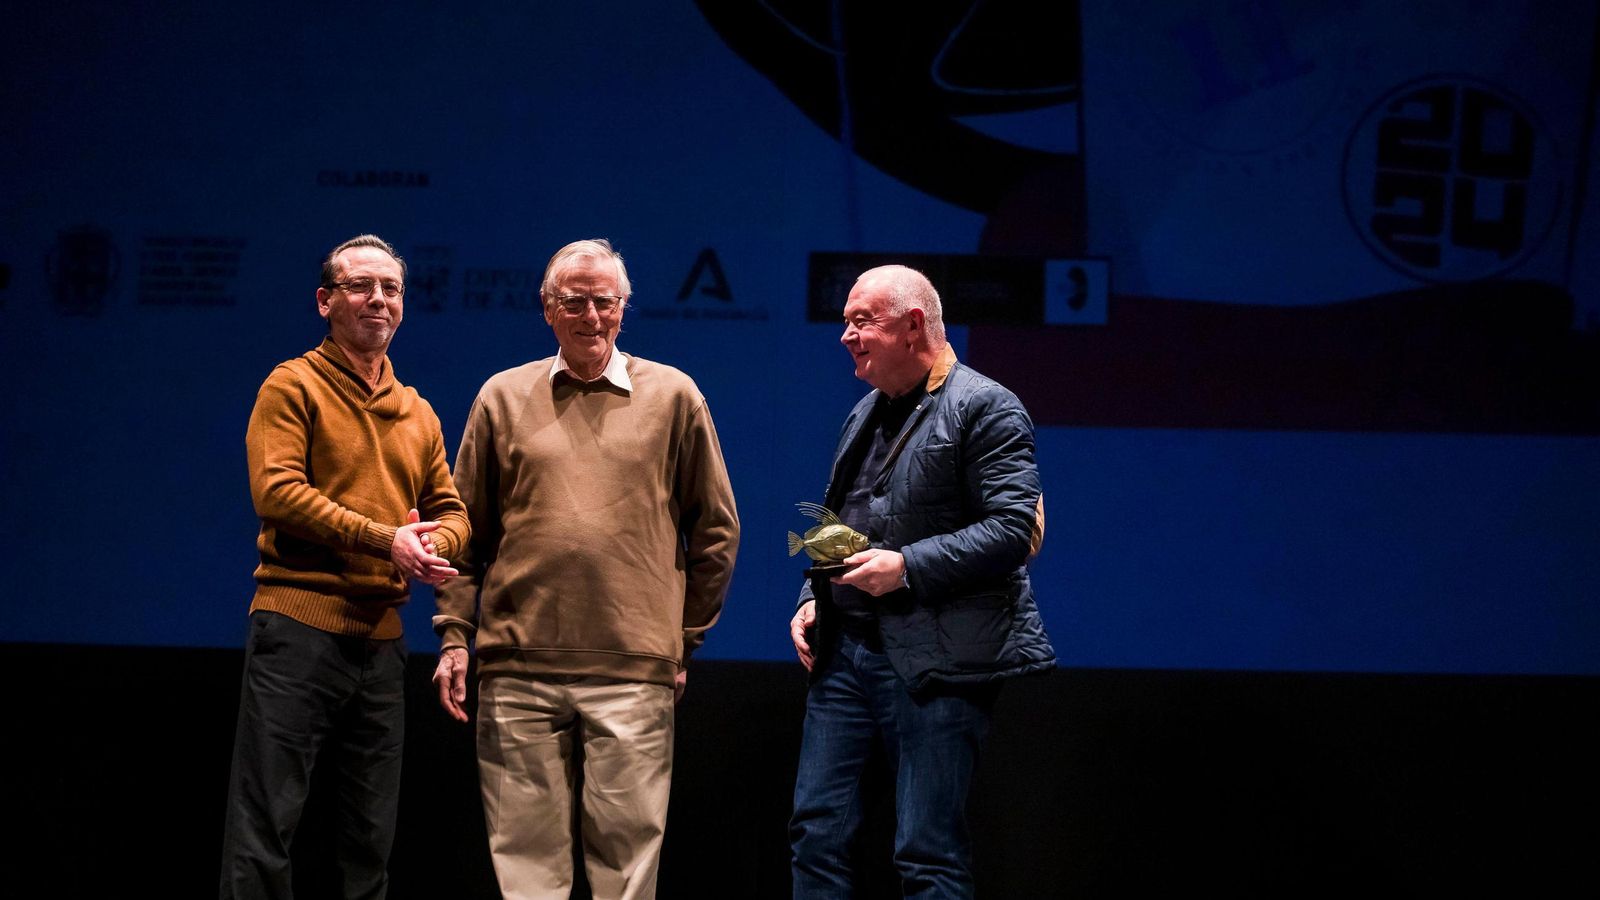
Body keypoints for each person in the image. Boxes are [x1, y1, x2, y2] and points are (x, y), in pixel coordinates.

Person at [432, 238, 739, 900]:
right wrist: (454, 634)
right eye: (574, 302)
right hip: (517, 669)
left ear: (624, 307)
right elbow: (462, 530)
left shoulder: (675, 396)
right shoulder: (501, 397)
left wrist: (682, 640)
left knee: (626, 878)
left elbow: (715, 531)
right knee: (527, 878)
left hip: (633, 670)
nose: (592, 316)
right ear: (547, 308)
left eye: (605, 301)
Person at [788, 265, 1054, 899]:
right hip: (847, 654)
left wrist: (906, 566)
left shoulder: (985, 406)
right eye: (845, 321)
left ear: (912, 327)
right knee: (816, 837)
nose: (846, 336)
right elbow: (841, 521)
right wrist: (810, 599)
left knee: (927, 851)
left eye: (862, 321)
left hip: (940, 657)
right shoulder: (864, 412)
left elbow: (1013, 529)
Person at [220, 234, 470, 899]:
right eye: (361, 286)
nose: (378, 299)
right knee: (265, 830)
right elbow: (277, 492)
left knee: (369, 843)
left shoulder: (417, 412)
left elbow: (453, 513)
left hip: (380, 644)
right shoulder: (292, 384)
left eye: (391, 288)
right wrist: (388, 540)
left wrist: (431, 546)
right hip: (296, 630)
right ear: (325, 301)